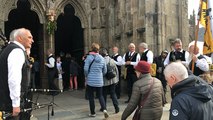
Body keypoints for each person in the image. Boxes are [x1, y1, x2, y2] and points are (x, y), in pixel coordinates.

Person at [0, 28, 34, 119]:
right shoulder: (17, 51)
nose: (32, 40)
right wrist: (16, 104)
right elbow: (14, 80)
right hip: (10, 104)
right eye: (29, 37)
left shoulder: (9, 49)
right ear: (20, 38)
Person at [84, 43, 109, 118]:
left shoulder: (89, 57)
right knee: (100, 95)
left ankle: (93, 113)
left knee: (91, 97)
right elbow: (105, 70)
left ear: (91, 48)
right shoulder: (102, 58)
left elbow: (85, 69)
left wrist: (87, 75)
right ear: (98, 49)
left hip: (91, 80)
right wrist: (101, 75)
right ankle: (104, 109)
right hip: (99, 80)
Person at [100, 48, 120, 114]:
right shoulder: (111, 60)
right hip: (113, 80)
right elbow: (116, 70)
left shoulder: (101, 61)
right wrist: (117, 79)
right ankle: (116, 107)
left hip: (105, 81)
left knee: (104, 94)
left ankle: (104, 107)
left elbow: (101, 72)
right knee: (113, 93)